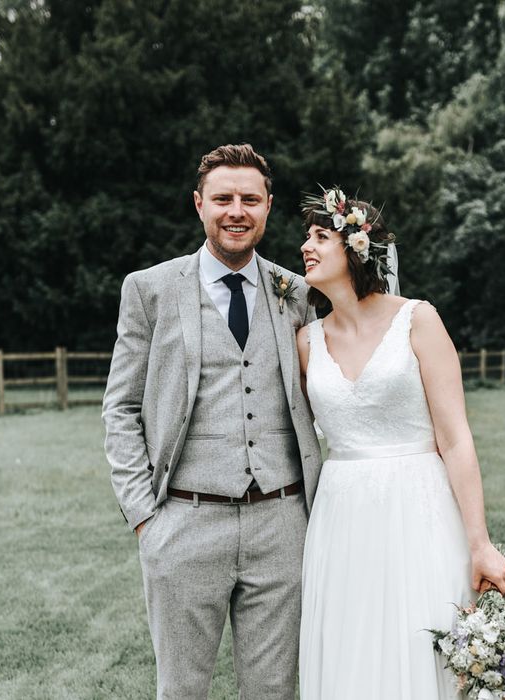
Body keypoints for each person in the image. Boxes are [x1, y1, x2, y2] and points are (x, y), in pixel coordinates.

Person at [296, 187, 505, 699]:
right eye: (306, 236)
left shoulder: (418, 319)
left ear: (356, 249)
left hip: (419, 507)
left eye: (321, 236)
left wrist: (480, 542)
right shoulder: (306, 341)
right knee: (353, 644)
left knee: (422, 637)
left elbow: (455, 439)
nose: (306, 246)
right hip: (341, 517)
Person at [102, 144, 322, 700]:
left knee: (274, 690)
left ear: (268, 206)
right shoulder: (149, 290)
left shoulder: (295, 292)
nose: (236, 211)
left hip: (282, 523)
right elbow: (121, 407)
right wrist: (145, 519)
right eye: (223, 198)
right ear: (199, 205)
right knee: (181, 690)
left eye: (250, 199)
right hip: (184, 520)